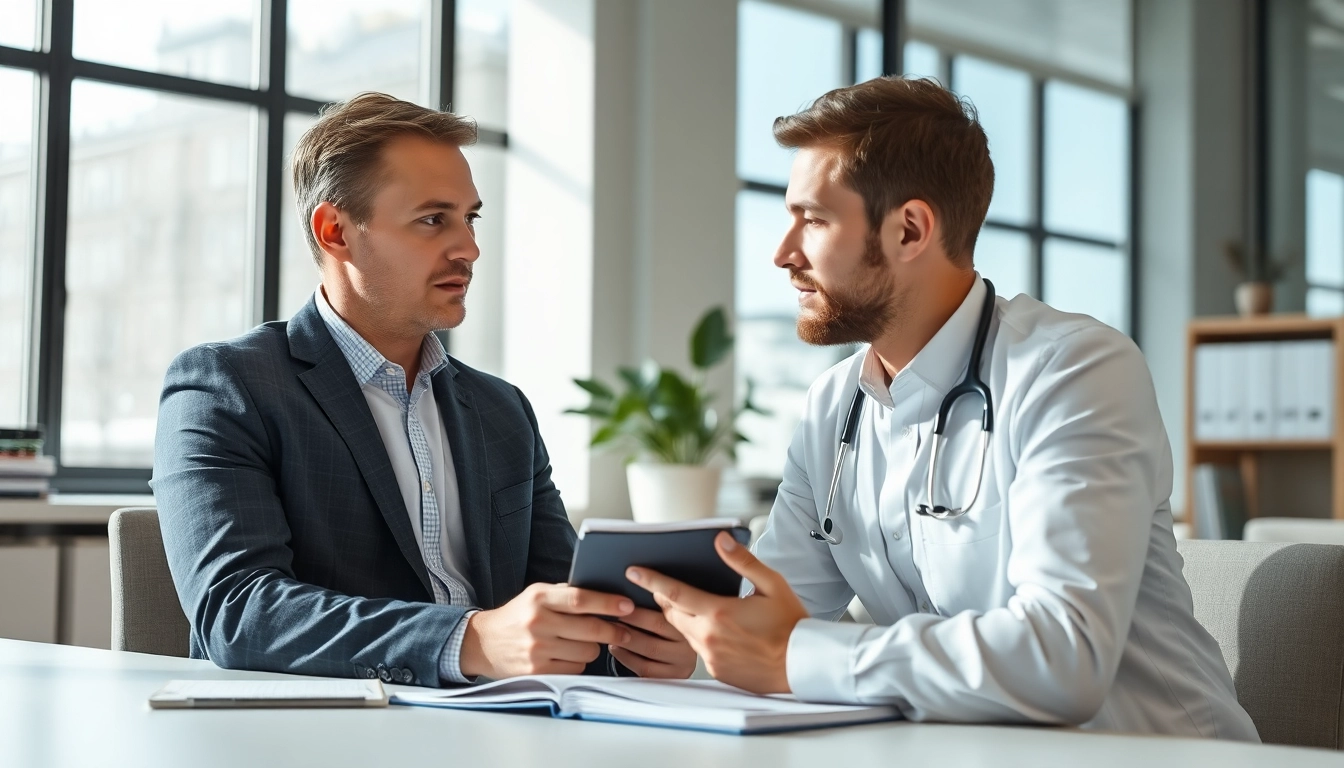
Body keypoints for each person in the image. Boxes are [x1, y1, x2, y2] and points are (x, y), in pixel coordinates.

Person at [626, 77, 1259, 740]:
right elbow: (772, 616)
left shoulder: (1074, 371)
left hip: (1156, 755)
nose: (783, 254)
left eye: (813, 219)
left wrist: (796, 655)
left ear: (910, 229)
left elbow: (1062, 657)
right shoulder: (833, 407)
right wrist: (693, 647)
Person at [152, 92, 695, 686]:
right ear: (335, 231)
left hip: (509, 728)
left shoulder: (503, 409)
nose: (469, 248)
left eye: (471, 218)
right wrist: (467, 641)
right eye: (433, 220)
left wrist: (629, 644)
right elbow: (238, 614)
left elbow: (559, 600)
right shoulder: (227, 387)